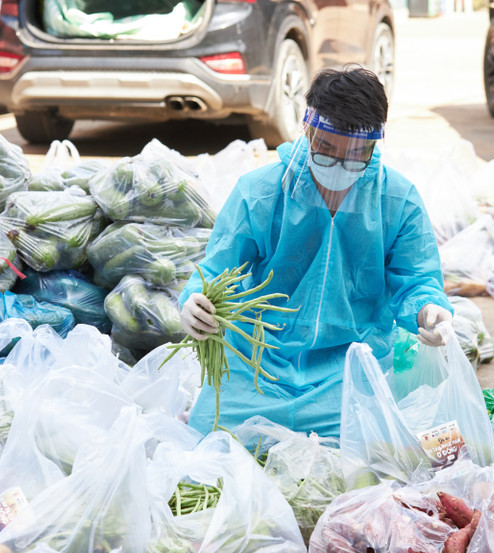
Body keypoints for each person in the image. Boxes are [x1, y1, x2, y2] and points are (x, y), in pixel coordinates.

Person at [177, 65, 454, 438]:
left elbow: (417, 280)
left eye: (354, 155)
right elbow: (216, 271)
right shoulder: (259, 193)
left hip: (351, 364)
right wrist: (194, 302)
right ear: (306, 130)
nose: (337, 166)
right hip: (258, 359)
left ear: (375, 146)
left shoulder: (397, 201)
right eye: (324, 149)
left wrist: (428, 310)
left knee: (372, 448)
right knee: (210, 435)